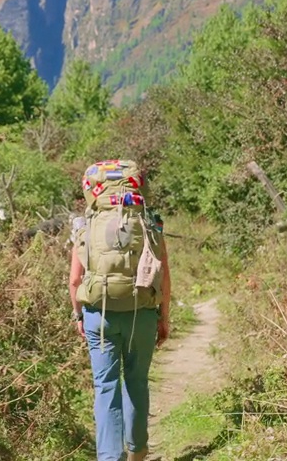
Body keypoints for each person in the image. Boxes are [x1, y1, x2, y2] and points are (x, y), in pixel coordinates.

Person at [68, 181, 172, 461]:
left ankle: (110, 457)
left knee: (105, 386)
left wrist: (79, 315)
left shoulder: (86, 227)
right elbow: (163, 276)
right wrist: (163, 319)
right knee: (136, 382)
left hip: (98, 316)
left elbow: (75, 280)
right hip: (142, 313)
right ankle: (137, 452)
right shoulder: (149, 224)